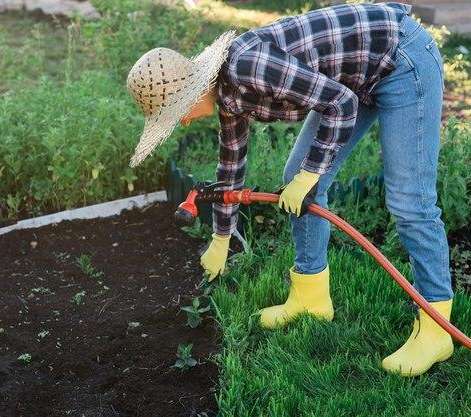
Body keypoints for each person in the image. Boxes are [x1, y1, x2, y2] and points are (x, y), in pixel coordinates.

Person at [127, 2, 454, 377]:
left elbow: (340, 103)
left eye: (174, 113)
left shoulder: (247, 67)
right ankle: (310, 296)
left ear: (190, 92)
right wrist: (221, 236)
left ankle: (436, 330)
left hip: (401, 58)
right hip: (356, 72)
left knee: (411, 203)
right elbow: (231, 165)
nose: (181, 122)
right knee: (297, 176)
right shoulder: (227, 93)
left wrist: (310, 174)